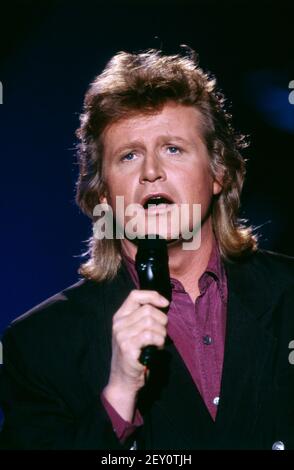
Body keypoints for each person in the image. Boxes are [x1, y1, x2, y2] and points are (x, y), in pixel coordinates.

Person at [0, 48, 294, 450]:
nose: (152, 171)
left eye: (173, 148)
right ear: (103, 194)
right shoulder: (39, 345)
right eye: (129, 155)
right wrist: (119, 393)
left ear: (218, 174)